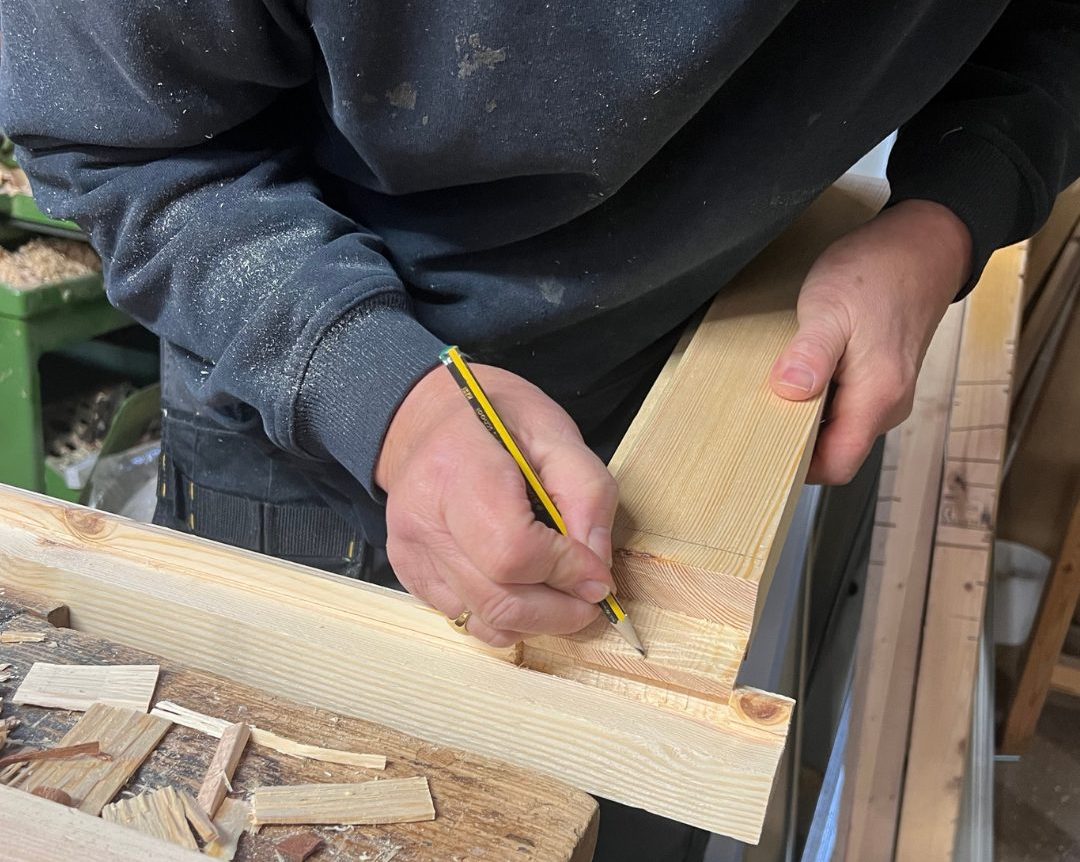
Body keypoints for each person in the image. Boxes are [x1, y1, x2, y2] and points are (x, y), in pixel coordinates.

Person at [2, 2, 1077, 858]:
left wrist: (948, 220)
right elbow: (119, 141)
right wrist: (386, 396)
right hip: (313, 398)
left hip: (687, 378)